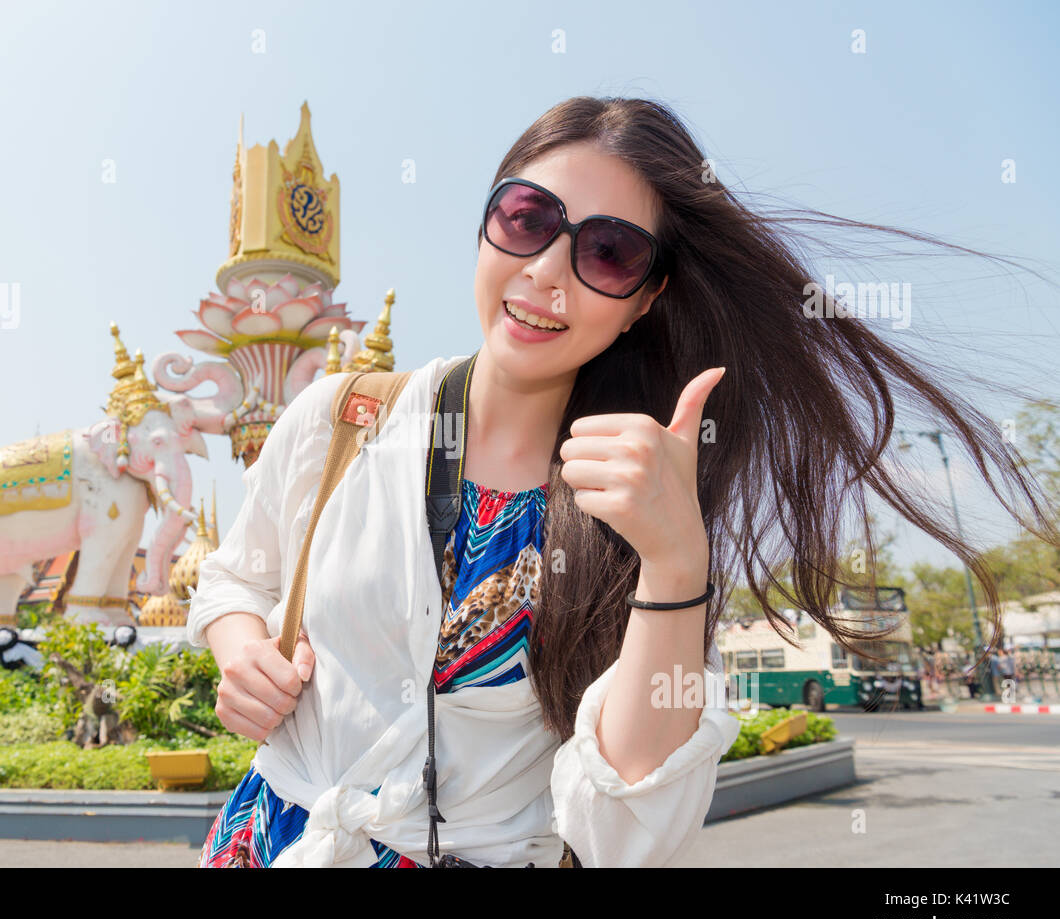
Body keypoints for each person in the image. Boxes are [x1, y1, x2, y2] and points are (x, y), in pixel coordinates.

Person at [187, 96, 1060, 867]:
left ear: (645, 298)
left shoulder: (633, 510)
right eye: (528, 219)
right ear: (488, 222)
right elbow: (238, 573)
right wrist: (241, 652)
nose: (545, 273)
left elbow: (627, 835)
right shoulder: (347, 416)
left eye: (605, 252)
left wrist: (677, 561)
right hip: (268, 839)